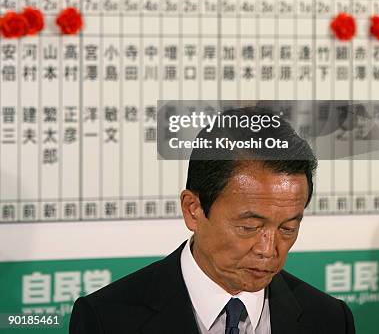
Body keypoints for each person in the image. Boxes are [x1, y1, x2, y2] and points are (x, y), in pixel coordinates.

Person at [69, 106, 355, 333]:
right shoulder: (107, 319)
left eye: (288, 228)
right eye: (249, 227)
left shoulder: (329, 319)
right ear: (193, 209)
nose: (269, 250)